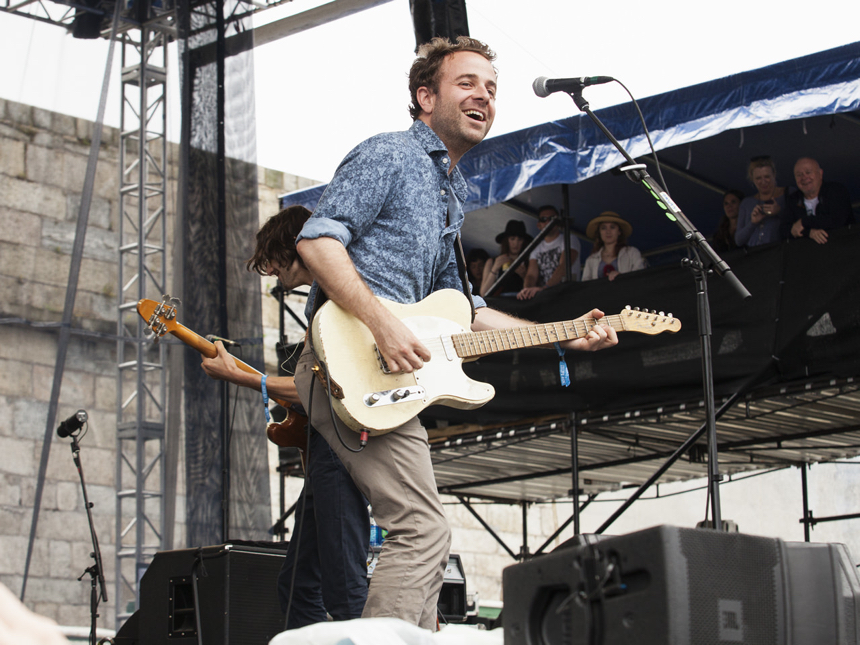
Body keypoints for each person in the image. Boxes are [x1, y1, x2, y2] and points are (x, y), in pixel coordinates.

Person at [292, 36, 618, 631]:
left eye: (491, 89)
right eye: (467, 83)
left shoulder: (450, 194)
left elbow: (460, 310)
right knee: (422, 529)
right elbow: (316, 240)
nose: (484, 96)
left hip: (387, 377)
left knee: (425, 533)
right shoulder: (390, 154)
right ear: (425, 96)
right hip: (347, 361)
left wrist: (561, 334)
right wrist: (384, 324)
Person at [200, 205, 369, 630]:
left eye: (273, 262)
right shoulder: (320, 300)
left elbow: (325, 385)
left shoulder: (337, 297)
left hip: (340, 446)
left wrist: (238, 375)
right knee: (296, 584)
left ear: (293, 248)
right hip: (325, 447)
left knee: (344, 586)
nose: (272, 273)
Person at [780, 157, 854, 244]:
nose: (804, 177)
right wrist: (809, 233)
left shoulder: (836, 190)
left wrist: (804, 222)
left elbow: (837, 221)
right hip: (809, 254)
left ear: (820, 173)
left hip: (843, 248)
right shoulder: (793, 199)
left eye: (808, 172)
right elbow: (784, 230)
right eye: (799, 175)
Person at [518, 205, 582, 300]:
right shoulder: (536, 247)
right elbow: (531, 274)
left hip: (568, 294)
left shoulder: (569, 239)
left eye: (552, 218)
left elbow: (564, 266)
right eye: (544, 219)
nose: (548, 222)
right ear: (538, 225)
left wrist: (545, 288)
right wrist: (527, 290)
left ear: (558, 222)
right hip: (547, 296)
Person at [734, 156, 786, 247]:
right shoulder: (747, 203)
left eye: (767, 177)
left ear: (774, 174)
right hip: (755, 256)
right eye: (758, 178)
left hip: (780, 253)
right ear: (752, 179)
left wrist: (779, 211)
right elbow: (738, 240)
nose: (763, 181)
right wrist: (753, 223)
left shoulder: (787, 194)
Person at [582, 211, 647, 281]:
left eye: (612, 227)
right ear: (599, 232)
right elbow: (585, 284)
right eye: (603, 228)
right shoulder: (591, 259)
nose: (608, 231)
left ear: (619, 232)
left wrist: (621, 277)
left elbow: (640, 277)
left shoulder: (632, 253)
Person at [480, 219, 531, 297]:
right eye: (512, 239)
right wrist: (495, 269)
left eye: (520, 239)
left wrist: (524, 276)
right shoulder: (492, 261)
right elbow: (483, 293)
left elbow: (533, 291)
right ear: (506, 240)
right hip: (497, 304)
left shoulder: (529, 262)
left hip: (520, 303)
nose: (516, 243)